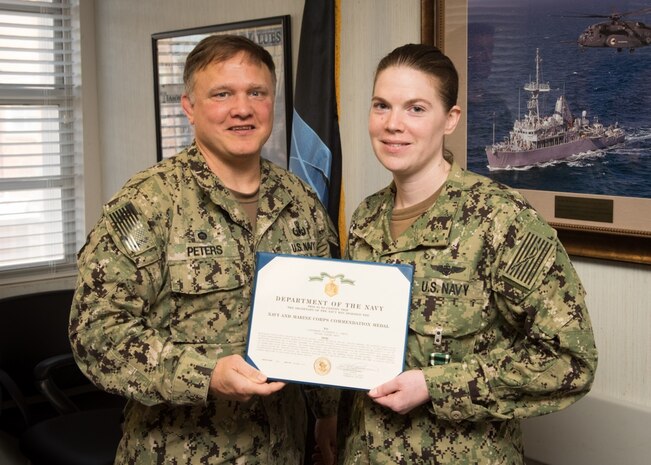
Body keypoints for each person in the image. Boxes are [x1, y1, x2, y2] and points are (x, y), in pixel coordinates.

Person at [69, 35, 339, 465]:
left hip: (283, 450)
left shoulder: (301, 201)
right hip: (178, 453)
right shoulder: (148, 204)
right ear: (190, 107)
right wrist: (206, 373)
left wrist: (328, 414)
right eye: (222, 94)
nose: (243, 108)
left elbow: (326, 320)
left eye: (257, 92)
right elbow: (96, 336)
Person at [335, 43, 598, 464]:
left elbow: (568, 361)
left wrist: (436, 385)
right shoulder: (366, 218)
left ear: (450, 119)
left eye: (416, 108)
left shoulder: (501, 219)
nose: (393, 124)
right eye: (381, 106)